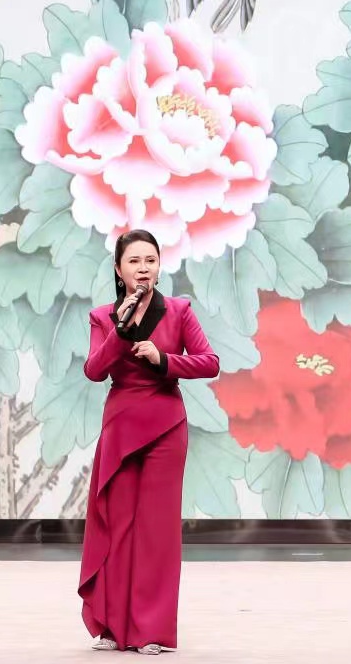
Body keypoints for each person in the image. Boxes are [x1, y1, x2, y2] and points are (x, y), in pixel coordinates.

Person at [78, 229, 220, 655]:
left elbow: (209, 362)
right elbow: (94, 371)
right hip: (121, 427)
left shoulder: (179, 311)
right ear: (119, 269)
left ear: (159, 266)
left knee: (157, 531)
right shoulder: (103, 317)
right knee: (117, 525)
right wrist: (120, 331)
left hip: (166, 427)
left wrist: (164, 361)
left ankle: (151, 630)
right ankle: (112, 626)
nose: (143, 268)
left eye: (151, 260)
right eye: (134, 261)